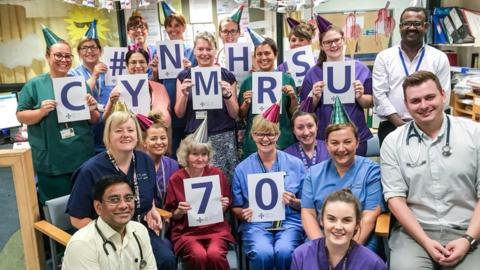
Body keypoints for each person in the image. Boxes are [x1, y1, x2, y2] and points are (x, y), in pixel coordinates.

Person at [381, 70, 480, 269]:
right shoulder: (393, 142)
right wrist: (425, 241)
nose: (424, 105)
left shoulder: (474, 134)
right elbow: (395, 199)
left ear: (443, 95)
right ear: (407, 105)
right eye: (415, 101)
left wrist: (468, 239)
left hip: (468, 230)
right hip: (414, 234)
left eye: (430, 97)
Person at [67, 107, 176, 270]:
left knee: (166, 260)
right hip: (103, 234)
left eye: (131, 130)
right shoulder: (89, 171)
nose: (126, 134)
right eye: (119, 130)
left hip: (138, 230)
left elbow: (147, 193)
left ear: (138, 135)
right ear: (108, 137)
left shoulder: (145, 161)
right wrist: (111, 236)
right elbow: (76, 219)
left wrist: (151, 208)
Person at [16, 26, 98, 204]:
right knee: (57, 207)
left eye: (68, 56)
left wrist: (92, 110)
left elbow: (93, 121)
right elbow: (21, 116)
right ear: (47, 57)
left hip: (81, 155)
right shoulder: (35, 85)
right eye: (58, 55)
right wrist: (40, 112)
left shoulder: (80, 84)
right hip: (53, 160)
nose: (64, 60)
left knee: (86, 203)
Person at [301, 97, 383, 253]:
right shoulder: (314, 173)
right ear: (326, 144)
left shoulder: (371, 171)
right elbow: (308, 213)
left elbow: (369, 216)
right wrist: (322, 248)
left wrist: (345, 251)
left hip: (360, 241)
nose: (341, 148)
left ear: (357, 142)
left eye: (347, 142)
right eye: (334, 143)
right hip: (322, 238)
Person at [232, 113, 305, 270]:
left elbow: (307, 203)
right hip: (257, 224)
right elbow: (236, 207)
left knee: (285, 251)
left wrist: (294, 202)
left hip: (289, 221)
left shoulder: (296, 164)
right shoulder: (242, 169)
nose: (265, 139)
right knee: (262, 253)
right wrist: (243, 213)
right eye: (260, 134)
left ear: (277, 135)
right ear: (252, 135)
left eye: (270, 134)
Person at [373, 6, 451, 146]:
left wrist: (423, 123)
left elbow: (443, 96)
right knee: (394, 167)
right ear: (400, 27)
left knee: (431, 166)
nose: (411, 28)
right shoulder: (384, 57)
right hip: (392, 126)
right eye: (407, 23)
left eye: (416, 24)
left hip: (430, 125)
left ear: (426, 26)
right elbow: (379, 94)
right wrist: (400, 124)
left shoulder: (439, 58)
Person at [300, 15, 373, 156]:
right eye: (328, 42)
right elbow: (304, 111)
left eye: (336, 40)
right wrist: (314, 97)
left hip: (355, 136)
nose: (333, 45)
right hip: (324, 139)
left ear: (343, 40)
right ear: (321, 46)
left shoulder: (360, 68)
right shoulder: (313, 73)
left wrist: (360, 96)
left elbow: (370, 102)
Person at [164, 128, 234, 270]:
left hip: (215, 230)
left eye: (204, 154)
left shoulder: (217, 174)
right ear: (186, 155)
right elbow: (172, 215)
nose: (200, 159)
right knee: (198, 255)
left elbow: (226, 203)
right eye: (194, 154)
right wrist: (179, 211)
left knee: (215, 254)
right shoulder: (176, 179)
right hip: (187, 232)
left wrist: (224, 205)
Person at [175, 31, 239, 178]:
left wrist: (227, 95)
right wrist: (184, 94)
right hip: (195, 137)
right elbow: (179, 113)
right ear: (194, 51)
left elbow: (235, 114)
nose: (204, 53)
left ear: (215, 51)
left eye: (209, 49)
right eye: (200, 49)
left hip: (222, 136)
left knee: (223, 181)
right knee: (198, 180)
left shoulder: (227, 76)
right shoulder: (184, 76)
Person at [62, 175, 156, 270]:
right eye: (114, 200)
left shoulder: (140, 231)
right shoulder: (82, 244)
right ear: (98, 207)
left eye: (128, 198)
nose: (123, 205)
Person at [291, 189, 387, 270]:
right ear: (322, 221)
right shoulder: (302, 256)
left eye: (346, 220)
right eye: (331, 219)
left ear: (357, 224)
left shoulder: (373, 264)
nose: (338, 227)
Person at [239, 35, 298, 158]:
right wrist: (246, 103)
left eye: (267, 53)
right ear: (255, 57)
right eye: (259, 54)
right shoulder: (248, 82)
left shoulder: (287, 79)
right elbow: (241, 115)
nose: (263, 57)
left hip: (282, 141)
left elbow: (293, 113)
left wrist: (292, 97)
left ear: (275, 55)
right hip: (255, 143)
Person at [70, 19, 113, 153]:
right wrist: (94, 75)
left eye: (93, 47)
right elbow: (78, 96)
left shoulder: (111, 70)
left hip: (110, 126)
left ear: (100, 51)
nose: (89, 51)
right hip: (87, 128)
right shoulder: (73, 74)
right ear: (79, 53)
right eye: (85, 48)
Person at [161, 0, 197, 155]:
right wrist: (154, 70)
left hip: (187, 105)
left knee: (191, 151)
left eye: (177, 25)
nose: (173, 29)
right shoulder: (160, 51)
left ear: (183, 27)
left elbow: (202, 79)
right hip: (169, 101)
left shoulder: (193, 51)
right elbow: (155, 82)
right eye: (170, 26)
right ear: (165, 28)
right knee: (172, 149)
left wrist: (191, 69)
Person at [103, 47, 171, 126]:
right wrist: (111, 104)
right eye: (133, 62)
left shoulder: (160, 88)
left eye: (142, 62)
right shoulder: (118, 89)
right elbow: (105, 119)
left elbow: (167, 118)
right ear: (127, 66)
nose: (138, 66)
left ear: (147, 64)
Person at [141, 112, 179, 207]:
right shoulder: (137, 165)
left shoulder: (173, 165)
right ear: (144, 142)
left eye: (163, 138)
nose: (159, 142)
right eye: (153, 139)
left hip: (168, 216)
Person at [126, 12, 159, 79]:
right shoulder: (123, 54)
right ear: (128, 33)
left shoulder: (157, 52)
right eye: (134, 28)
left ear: (147, 30)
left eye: (142, 27)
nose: (138, 30)